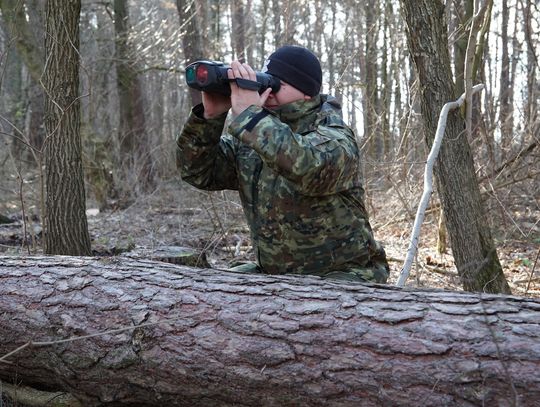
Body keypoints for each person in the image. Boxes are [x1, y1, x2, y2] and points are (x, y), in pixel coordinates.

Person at [176, 45, 389, 283]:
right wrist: (209, 118)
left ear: (307, 92)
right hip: (279, 280)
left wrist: (252, 116)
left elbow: (308, 166)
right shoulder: (254, 136)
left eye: (278, 84)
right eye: (265, 81)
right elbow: (197, 171)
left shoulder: (333, 134)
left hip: (345, 276)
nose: (269, 90)